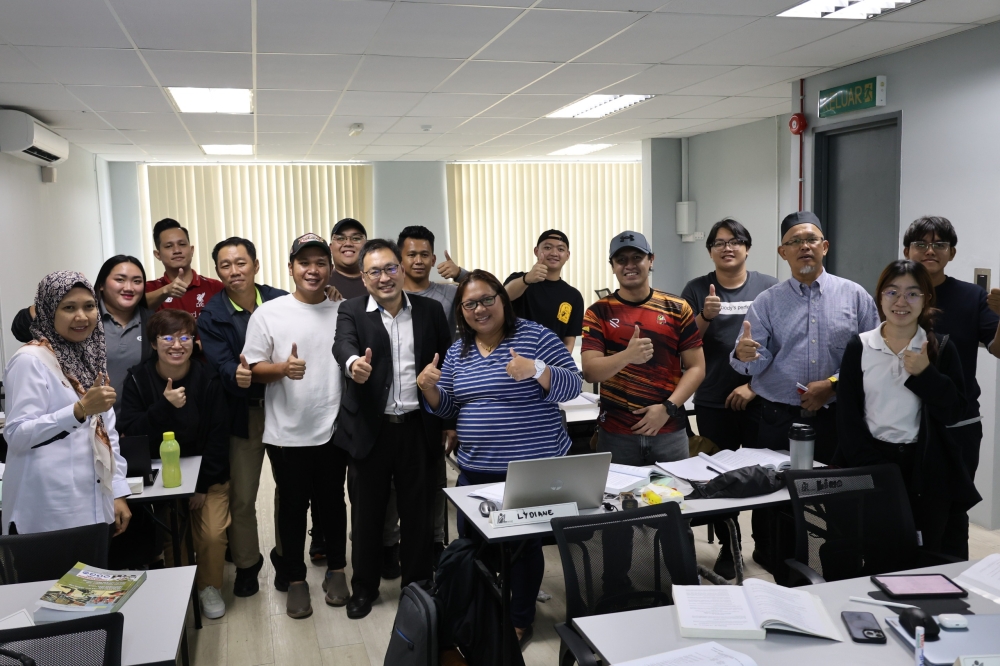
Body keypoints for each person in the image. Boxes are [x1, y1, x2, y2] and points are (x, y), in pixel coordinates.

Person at [419, 269, 582, 646]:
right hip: (476, 468)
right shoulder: (459, 348)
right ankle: (481, 610)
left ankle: (519, 618)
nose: (480, 309)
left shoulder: (535, 335)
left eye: (487, 299)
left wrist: (536, 370)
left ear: (503, 300)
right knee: (472, 545)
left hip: (530, 469)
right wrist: (429, 390)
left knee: (523, 548)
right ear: (461, 311)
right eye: (470, 303)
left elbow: (573, 383)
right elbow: (449, 403)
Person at [730, 211, 879, 567]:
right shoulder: (767, 301)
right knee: (773, 498)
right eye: (794, 242)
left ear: (824, 246)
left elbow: (875, 360)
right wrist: (744, 354)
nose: (804, 247)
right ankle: (772, 558)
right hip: (778, 418)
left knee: (834, 495)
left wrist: (832, 387)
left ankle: (831, 561)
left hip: (836, 419)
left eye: (811, 240)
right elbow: (749, 362)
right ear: (783, 253)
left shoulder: (855, 297)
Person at [333, 239, 453, 620]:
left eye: (389, 268)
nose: (383, 277)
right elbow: (343, 345)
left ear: (401, 269)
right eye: (374, 271)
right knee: (367, 514)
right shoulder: (351, 310)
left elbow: (447, 364)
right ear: (364, 278)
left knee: (417, 512)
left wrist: (448, 420)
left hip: (418, 427)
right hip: (371, 428)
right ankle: (364, 588)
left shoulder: (431, 310)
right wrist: (354, 364)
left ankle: (415, 586)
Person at [836, 260, 979, 556]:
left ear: (927, 298)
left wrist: (926, 374)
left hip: (926, 468)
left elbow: (955, 411)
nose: (901, 302)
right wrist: (878, 470)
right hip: (870, 461)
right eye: (892, 292)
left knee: (924, 553)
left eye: (913, 293)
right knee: (874, 550)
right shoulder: (860, 346)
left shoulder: (940, 347)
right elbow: (847, 418)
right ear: (880, 297)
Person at [242, 233, 348, 619]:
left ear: (330, 268)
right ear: (291, 269)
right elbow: (253, 369)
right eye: (305, 263)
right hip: (286, 431)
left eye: (321, 262)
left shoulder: (344, 311)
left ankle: (337, 570)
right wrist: (282, 369)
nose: (313, 269)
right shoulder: (269, 314)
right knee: (292, 507)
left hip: (334, 428)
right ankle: (296, 579)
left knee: (334, 502)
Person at [118, 310, 231, 619]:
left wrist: (202, 486)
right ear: (154, 344)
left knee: (210, 534)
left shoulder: (209, 379)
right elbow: (130, 430)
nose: (177, 345)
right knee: (173, 534)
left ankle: (209, 587)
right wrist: (163, 407)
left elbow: (220, 438)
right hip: (160, 477)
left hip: (207, 475)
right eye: (167, 337)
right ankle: (183, 586)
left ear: (194, 342)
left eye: (184, 337)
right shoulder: (138, 380)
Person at [681, 219, 777, 580]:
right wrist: (705, 316)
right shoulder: (695, 289)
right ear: (710, 251)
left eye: (736, 241)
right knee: (720, 479)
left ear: (747, 248)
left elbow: (781, 345)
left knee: (764, 476)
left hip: (761, 397)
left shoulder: (769, 287)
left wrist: (753, 386)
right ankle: (730, 544)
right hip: (712, 399)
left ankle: (768, 545)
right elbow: (684, 343)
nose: (728, 247)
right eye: (719, 242)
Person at [2, 271, 131, 537]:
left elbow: (108, 434)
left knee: (93, 577)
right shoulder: (31, 360)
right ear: (49, 312)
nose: (82, 317)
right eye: (69, 308)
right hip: (47, 513)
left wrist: (117, 491)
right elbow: (16, 434)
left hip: (95, 505)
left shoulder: (91, 358)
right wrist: (79, 411)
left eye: (89, 306)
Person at [903, 216, 1000, 558]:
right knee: (908, 509)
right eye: (922, 244)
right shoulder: (897, 294)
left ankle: (950, 584)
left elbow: (997, 348)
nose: (930, 250)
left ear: (952, 253)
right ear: (907, 251)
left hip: (956, 423)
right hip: (904, 420)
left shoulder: (971, 297)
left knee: (953, 510)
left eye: (939, 244)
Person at [197, 237, 287, 598]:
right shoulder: (213, 314)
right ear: (217, 270)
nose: (234, 271)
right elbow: (221, 364)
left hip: (285, 407)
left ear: (256, 264)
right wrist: (237, 374)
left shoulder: (282, 299)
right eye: (225, 265)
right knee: (243, 497)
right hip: (243, 412)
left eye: (240, 263)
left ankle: (286, 558)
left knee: (290, 491)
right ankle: (248, 565)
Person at [582, 231, 706, 465]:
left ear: (651, 260)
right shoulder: (597, 312)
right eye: (621, 260)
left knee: (675, 499)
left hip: (669, 431)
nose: (629, 265)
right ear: (612, 266)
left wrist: (667, 408)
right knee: (616, 501)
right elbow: (590, 371)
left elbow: (697, 367)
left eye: (637, 258)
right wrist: (627, 356)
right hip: (616, 433)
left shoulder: (677, 308)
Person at [11, 255, 154, 415]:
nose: (129, 287)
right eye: (120, 280)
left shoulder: (151, 322)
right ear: (101, 285)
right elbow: (21, 328)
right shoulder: (84, 320)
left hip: (129, 422)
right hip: (78, 418)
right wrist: (62, 293)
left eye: (137, 281)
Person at [397, 225, 460, 564]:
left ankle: (436, 543)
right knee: (395, 484)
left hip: (436, 402)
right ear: (400, 258)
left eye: (425, 255)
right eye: (411, 254)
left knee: (434, 478)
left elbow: (495, 293)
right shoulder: (388, 295)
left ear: (434, 259)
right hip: (396, 403)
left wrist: (450, 419)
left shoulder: (448, 294)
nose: (418, 260)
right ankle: (392, 543)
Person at [503, 230, 585, 352]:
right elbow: (502, 297)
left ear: (567, 255)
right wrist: (527, 279)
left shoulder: (573, 296)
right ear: (536, 251)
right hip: (515, 358)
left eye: (561, 249)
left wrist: (559, 366)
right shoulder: (519, 280)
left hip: (551, 364)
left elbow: (568, 342)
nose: (554, 253)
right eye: (547, 247)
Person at [144, 218, 224, 316]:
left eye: (182, 244)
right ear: (158, 254)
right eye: (169, 246)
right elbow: (132, 307)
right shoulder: (150, 288)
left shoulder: (215, 287)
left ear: (192, 250)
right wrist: (165, 291)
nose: (177, 250)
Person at [327, 217, 369, 299]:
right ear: (331, 248)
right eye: (340, 238)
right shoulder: (320, 283)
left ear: (366, 247)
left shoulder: (378, 281)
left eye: (356, 238)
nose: (348, 243)